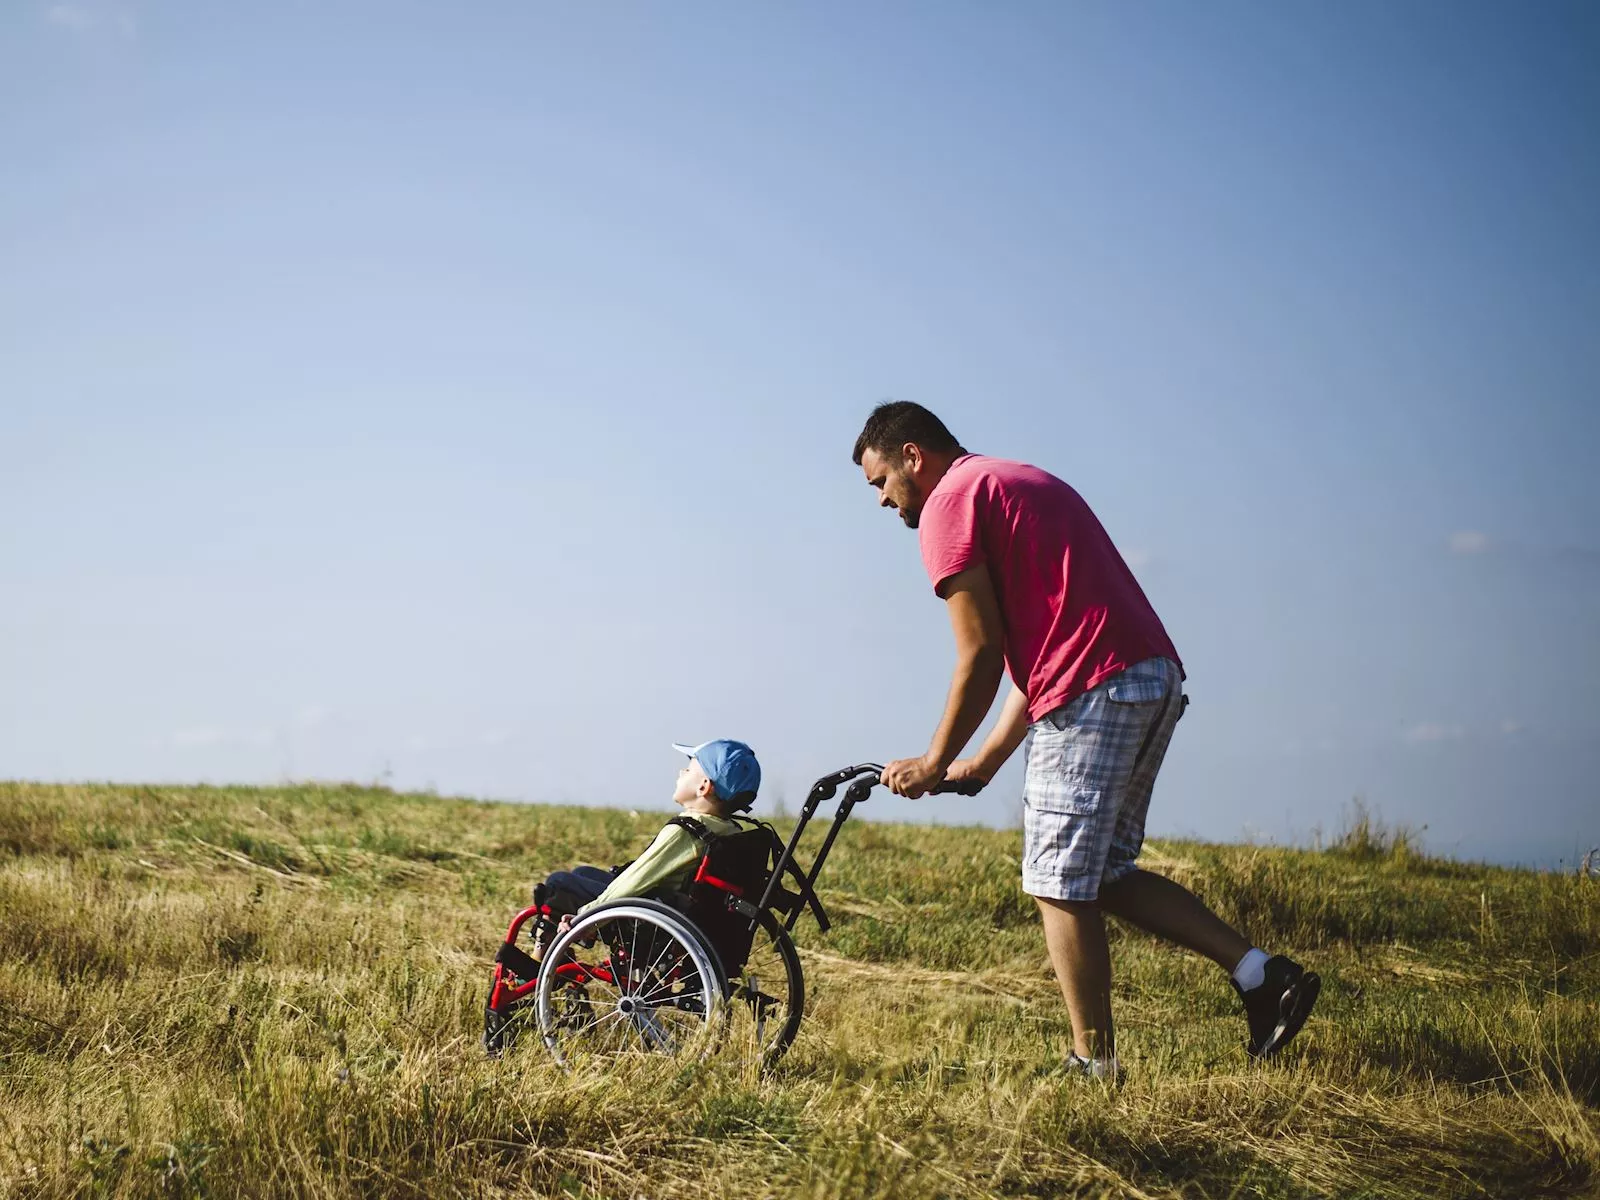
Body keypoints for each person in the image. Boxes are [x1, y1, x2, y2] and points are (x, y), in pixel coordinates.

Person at [853, 400, 1319, 1080]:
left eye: (881, 483)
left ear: (913, 457)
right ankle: (1262, 977)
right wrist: (981, 763)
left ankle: (1092, 1063)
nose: (883, 501)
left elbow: (980, 653)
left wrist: (933, 762)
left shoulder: (950, 501)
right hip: (1146, 678)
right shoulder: (1010, 480)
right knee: (1103, 876)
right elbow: (1043, 654)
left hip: (1095, 690)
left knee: (1058, 882)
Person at [531, 739, 761, 954]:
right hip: (686, 913)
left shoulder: (687, 831)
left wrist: (585, 918)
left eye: (688, 769)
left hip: (652, 918)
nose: (681, 773)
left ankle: (540, 965)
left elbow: (636, 880)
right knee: (583, 873)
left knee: (558, 883)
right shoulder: (729, 831)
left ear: (703, 787)